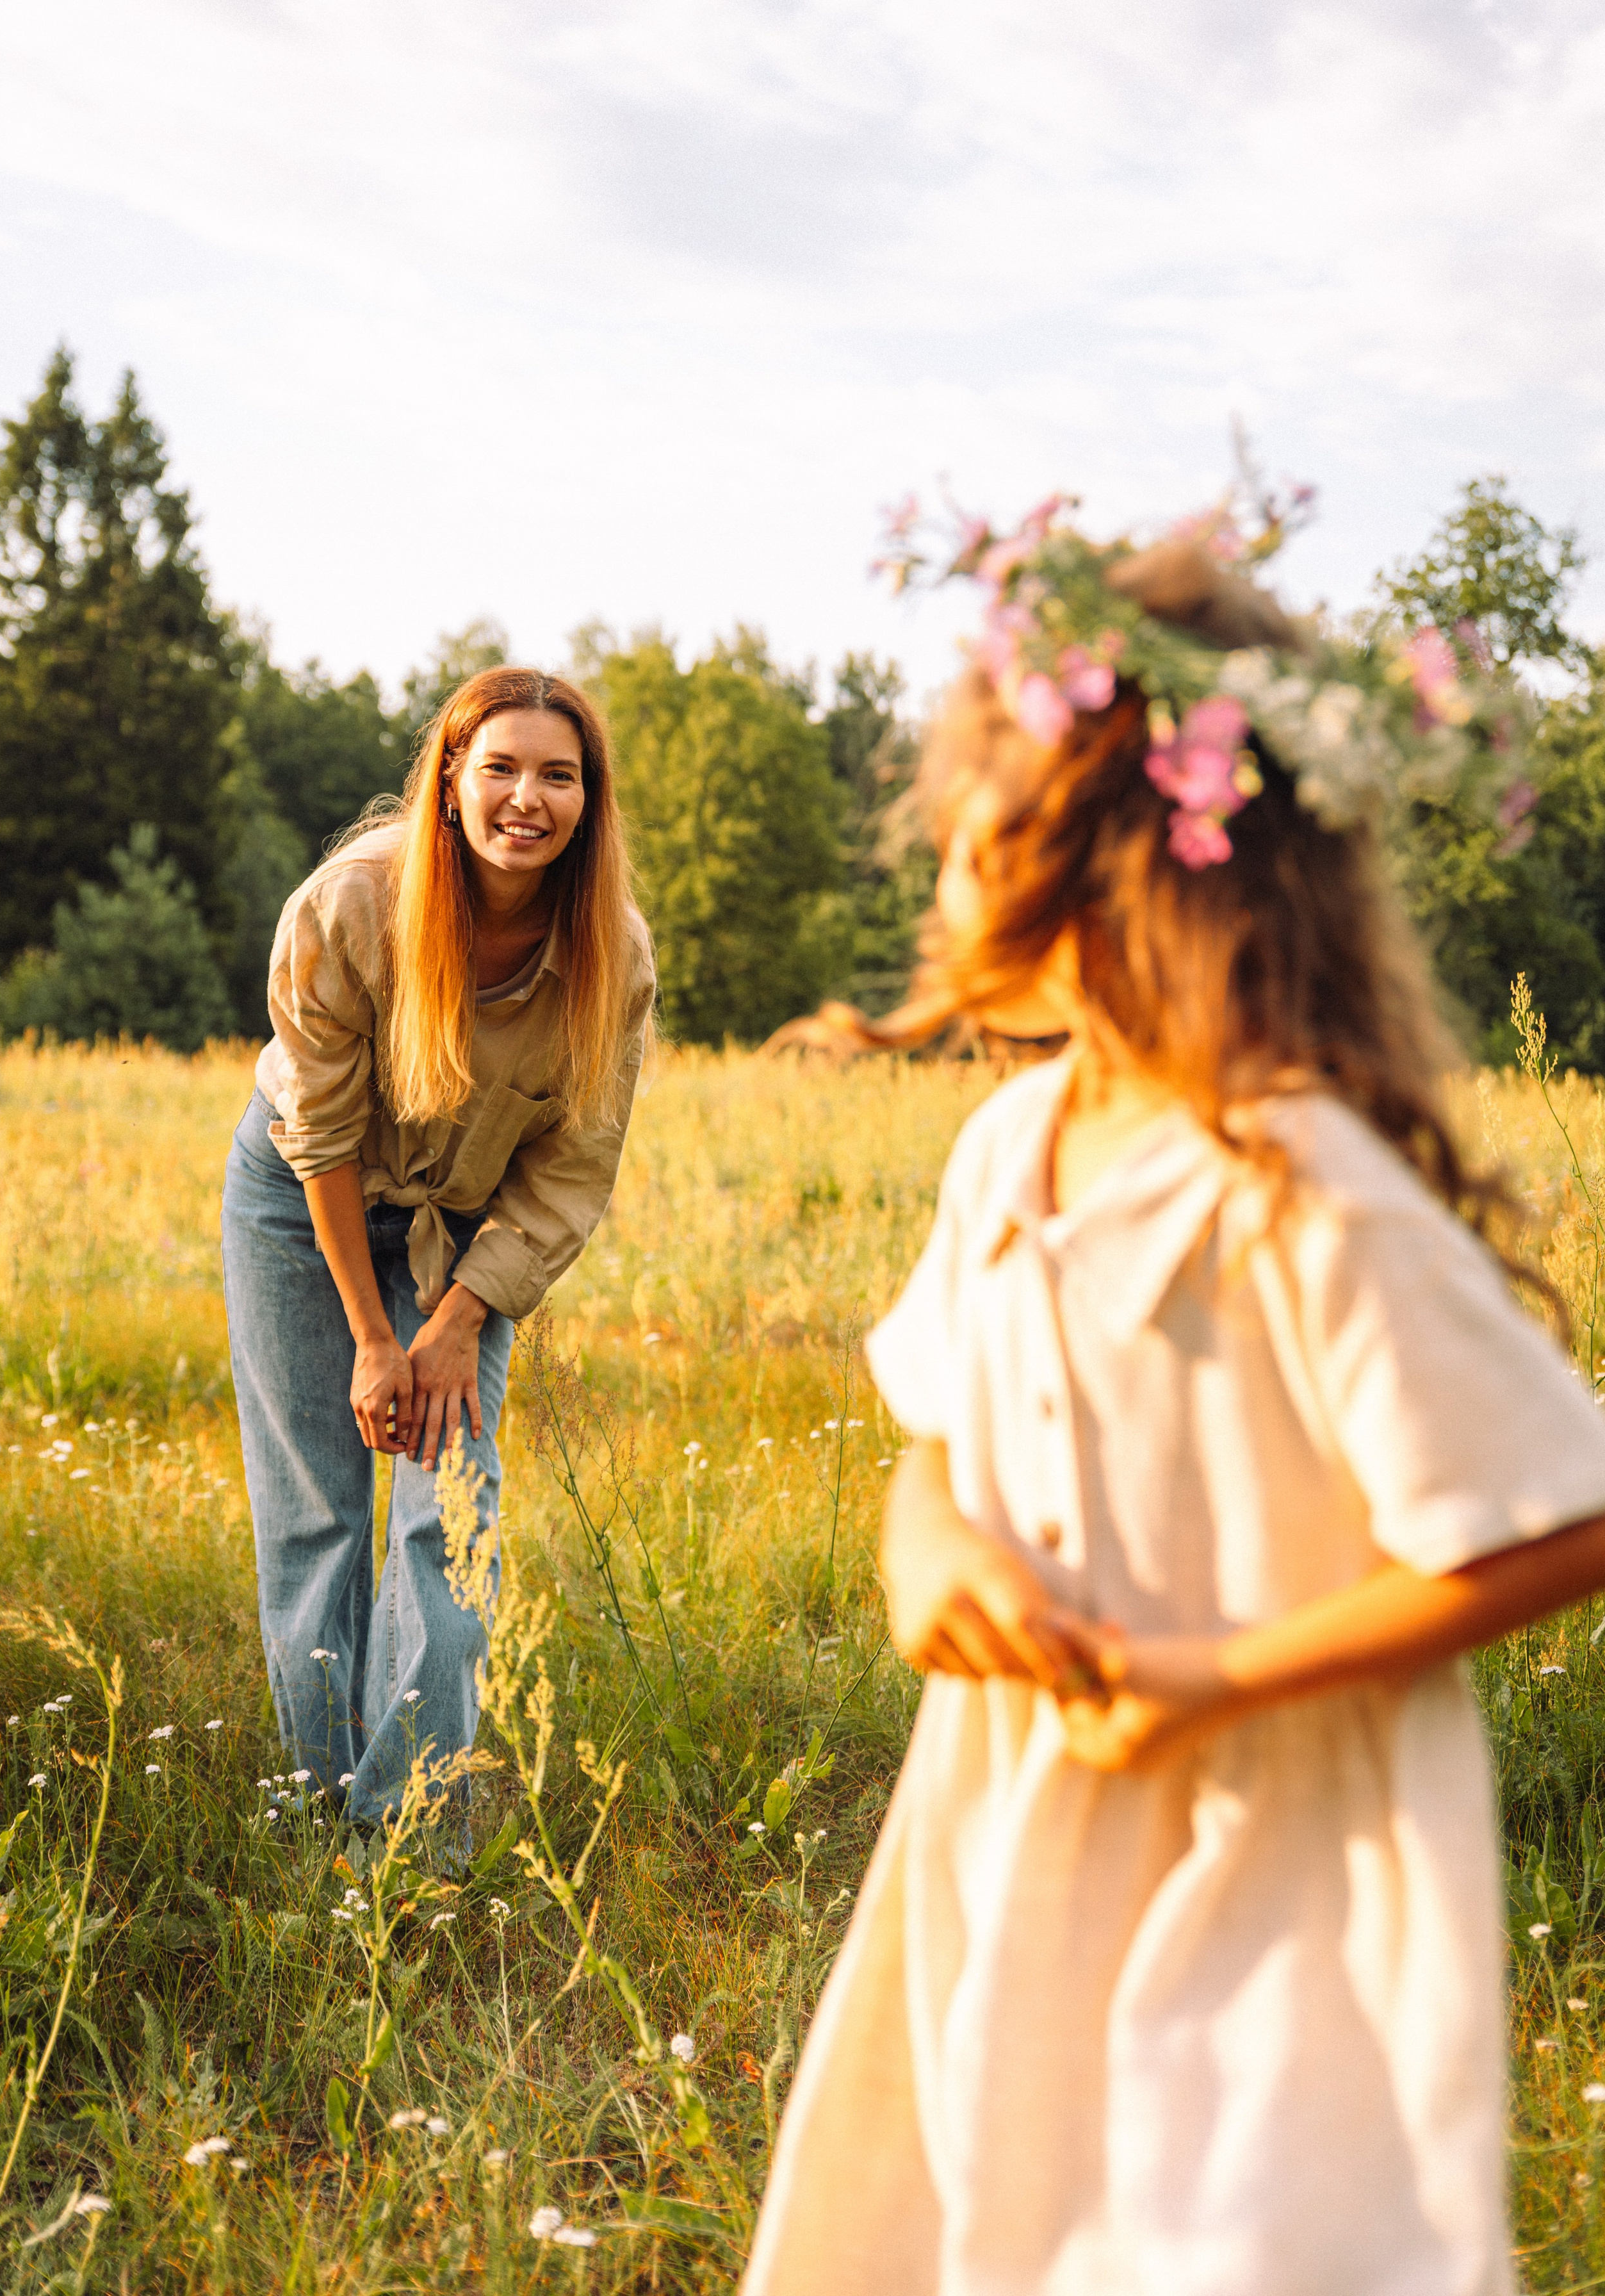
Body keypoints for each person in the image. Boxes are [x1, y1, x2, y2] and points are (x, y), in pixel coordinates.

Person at [743, 493, 1605, 2296]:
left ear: (1119, 854)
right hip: (1019, 1817)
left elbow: (1563, 1517)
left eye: (982, 812)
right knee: (998, 2192)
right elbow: (933, 1446)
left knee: (1233, 2232)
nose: (948, 850)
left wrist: (1219, 1679)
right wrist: (933, 1560)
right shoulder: (1009, 1145)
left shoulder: (1294, 1183)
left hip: (1269, 1853)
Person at [221, 667, 655, 1826]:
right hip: (304, 1196)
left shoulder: (615, 952)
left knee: (448, 1512)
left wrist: (457, 1321)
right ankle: (317, 1808)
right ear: (451, 778)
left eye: (557, 775)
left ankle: (405, 1833)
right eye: (500, 767)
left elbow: (571, 1168)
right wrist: (375, 1337)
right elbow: (317, 1131)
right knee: (320, 1510)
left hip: (469, 1231)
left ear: (588, 799)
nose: (528, 797)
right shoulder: (352, 903)